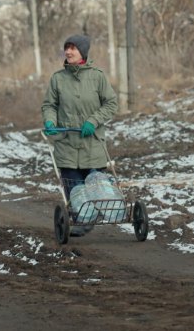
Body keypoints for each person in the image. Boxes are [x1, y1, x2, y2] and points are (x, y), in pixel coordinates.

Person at [41, 34, 118, 236]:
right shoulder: (58, 79)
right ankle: (84, 219)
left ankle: (100, 210)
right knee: (74, 186)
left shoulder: (97, 76)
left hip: (92, 143)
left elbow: (111, 104)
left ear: (83, 51)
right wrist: (50, 121)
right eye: (66, 48)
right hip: (66, 143)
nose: (68, 52)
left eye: (73, 48)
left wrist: (93, 121)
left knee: (95, 181)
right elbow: (50, 105)